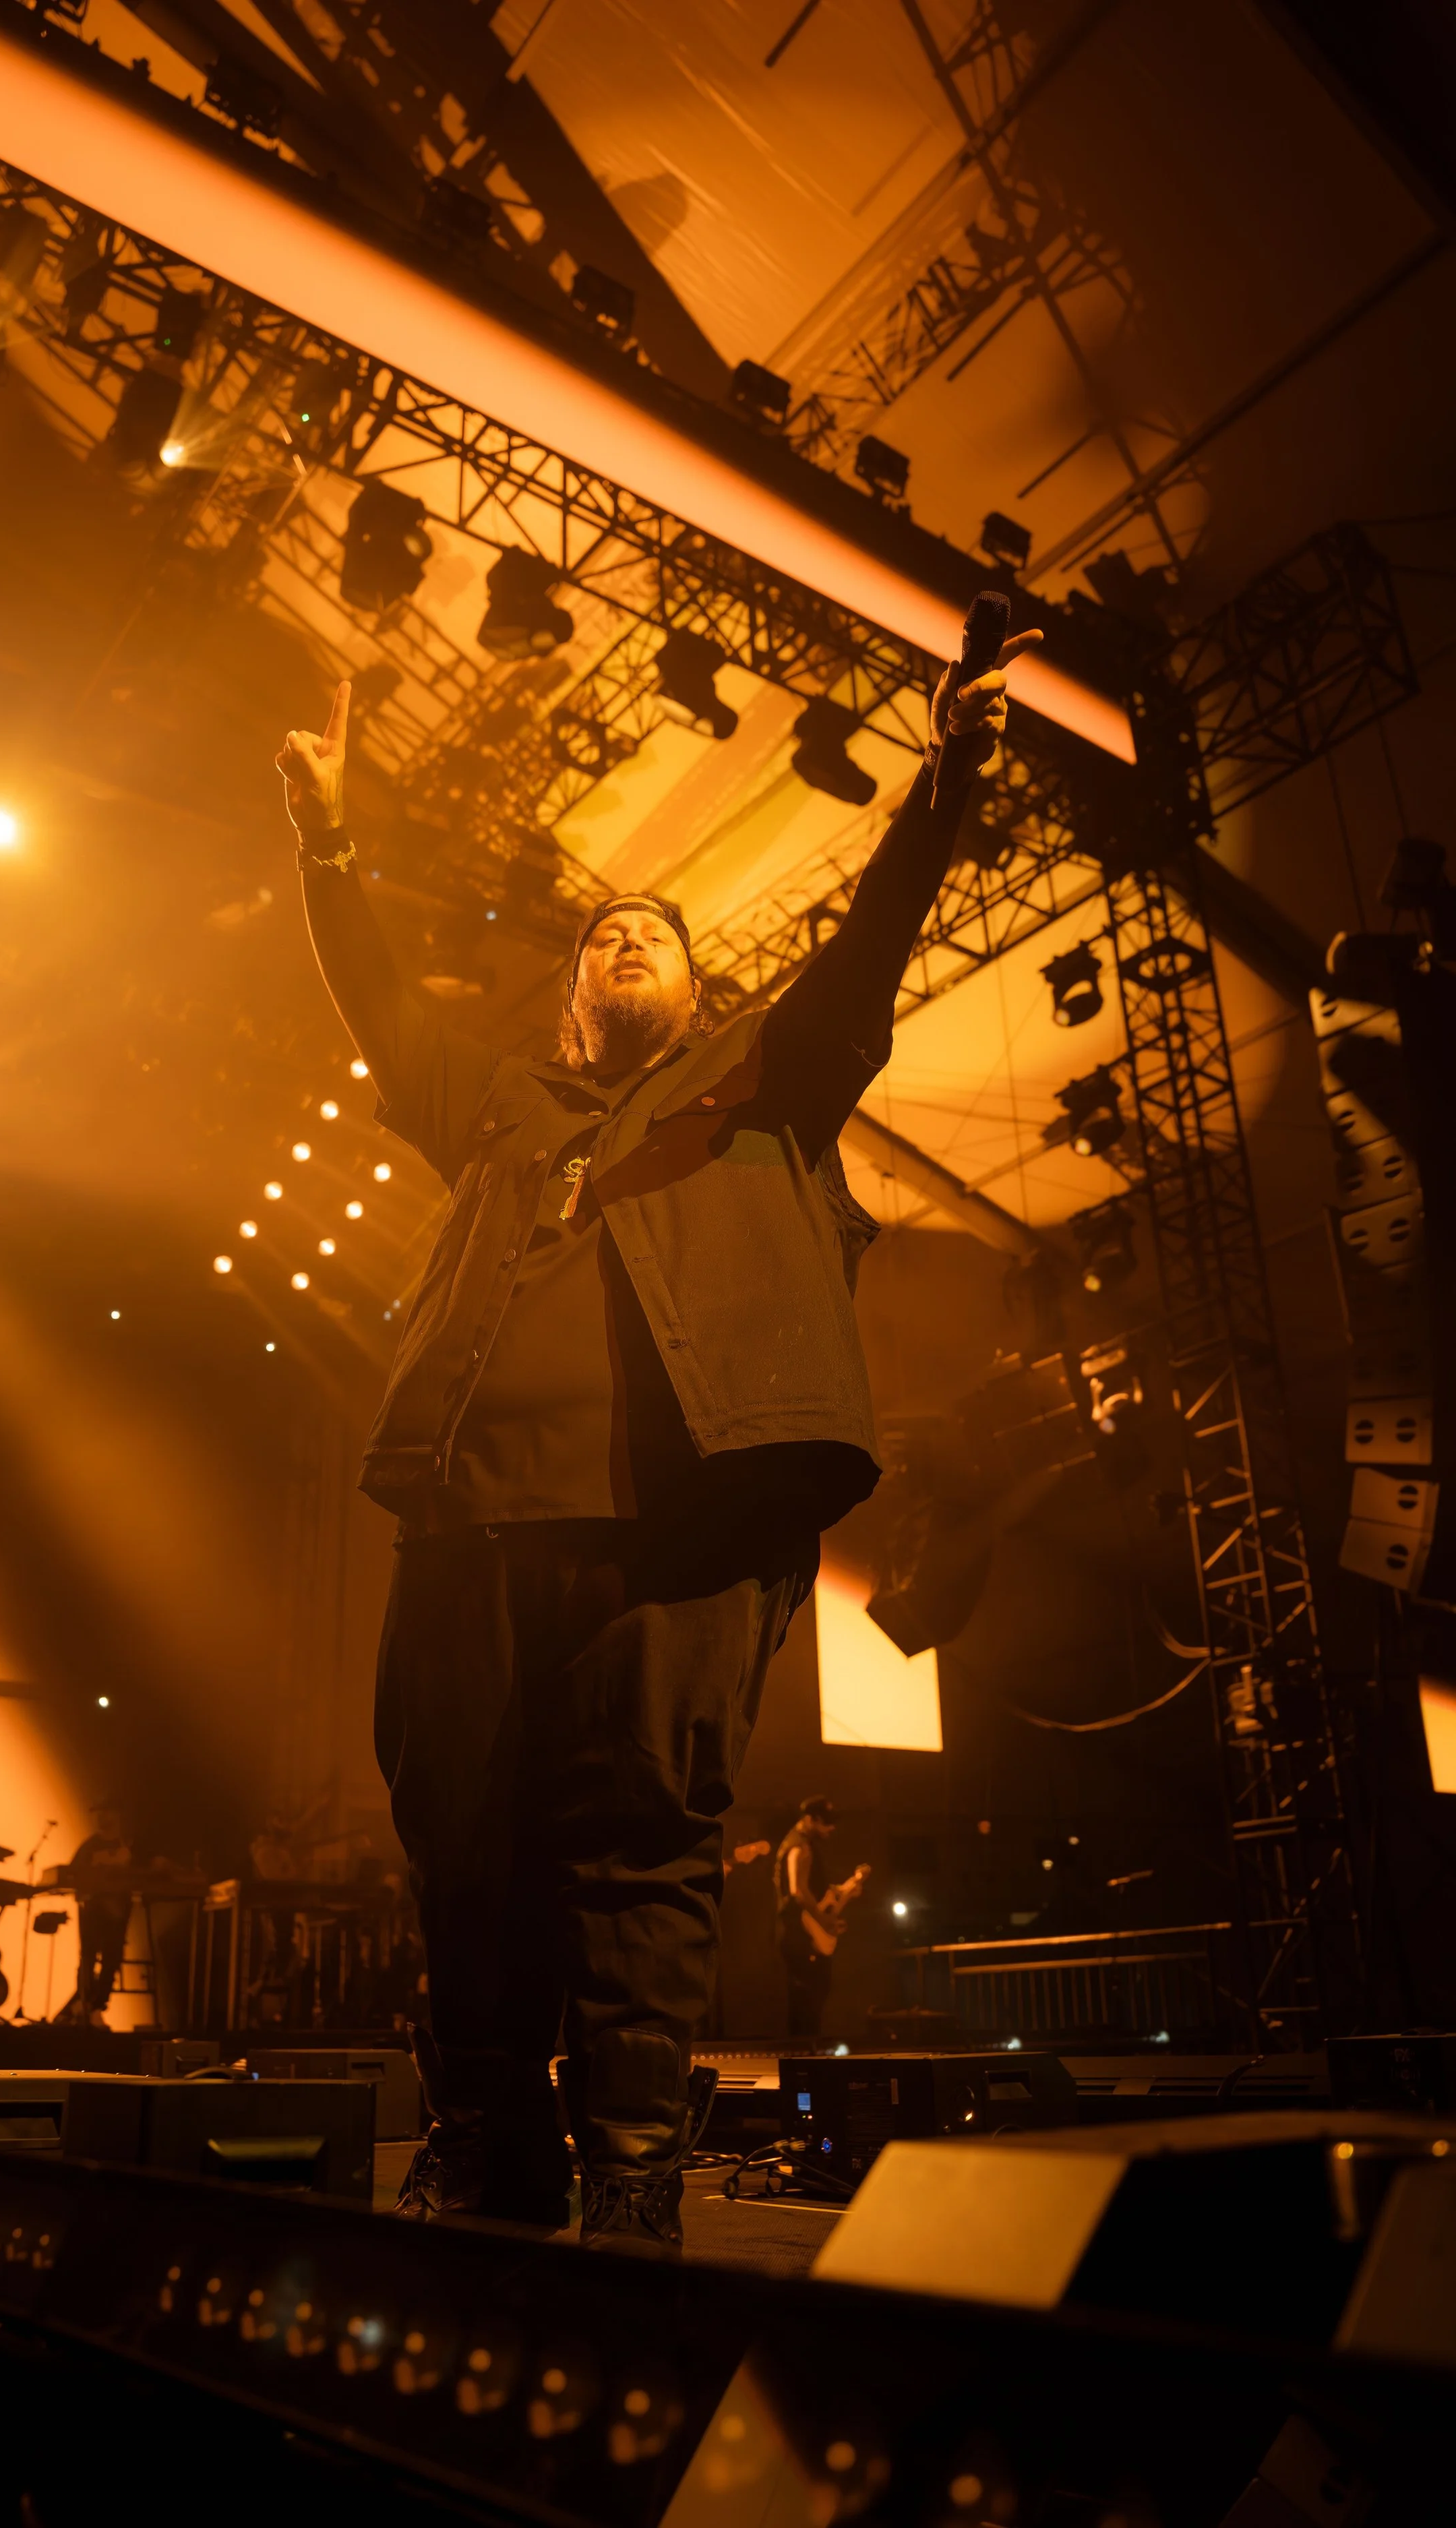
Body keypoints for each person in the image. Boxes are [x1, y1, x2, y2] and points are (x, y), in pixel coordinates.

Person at [275, 621, 1038, 2248]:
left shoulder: (766, 1081)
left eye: (653, 932)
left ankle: (629, 2165)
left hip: (682, 1520)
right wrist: (329, 841)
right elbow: (374, 999)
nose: (622, 937)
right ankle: (485, 2139)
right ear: (569, 996)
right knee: (461, 1840)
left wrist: (949, 774)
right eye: (601, 932)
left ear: (698, 992)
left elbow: (870, 952)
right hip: (469, 1521)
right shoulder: (495, 1108)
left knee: (640, 1848)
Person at [772, 1795, 866, 2039]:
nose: (831, 1828)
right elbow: (797, 1891)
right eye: (826, 1822)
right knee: (809, 1999)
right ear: (809, 1820)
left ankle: (804, 2057)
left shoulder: (802, 1845)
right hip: (799, 1935)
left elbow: (811, 1892)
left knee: (810, 1998)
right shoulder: (799, 1847)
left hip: (799, 1932)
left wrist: (845, 1891)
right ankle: (804, 2059)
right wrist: (824, 1921)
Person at [67, 1802, 131, 2025]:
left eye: (107, 1812)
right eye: (99, 1813)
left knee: (112, 1959)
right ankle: (85, 2002)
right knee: (88, 1957)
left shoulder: (129, 1845)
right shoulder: (89, 1847)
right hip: (94, 1912)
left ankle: (97, 2006)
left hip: (118, 1911)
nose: (102, 1817)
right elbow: (73, 1873)